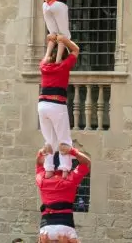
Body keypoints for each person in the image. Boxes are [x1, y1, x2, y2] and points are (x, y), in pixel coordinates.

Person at [38, 34, 80, 178]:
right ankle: (65, 170)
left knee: (49, 140)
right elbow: (76, 50)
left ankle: (49, 169)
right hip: (56, 104)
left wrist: (53, 42)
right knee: (64, 139)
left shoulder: (44, 66)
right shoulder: (63, 66)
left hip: (42, 105)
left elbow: (48, 54)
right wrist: (65, 40)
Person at [35, 144, 90, 242]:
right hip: (63, 224)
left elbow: (39, 165)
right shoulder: (69, 180)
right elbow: (86, 163)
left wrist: (41, 154)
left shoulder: (42, 180)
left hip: (47, 225)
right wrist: (73, 152)